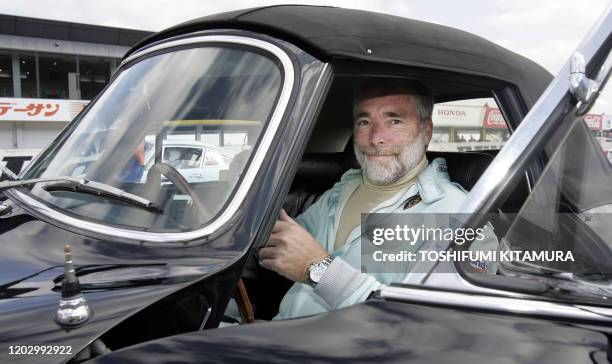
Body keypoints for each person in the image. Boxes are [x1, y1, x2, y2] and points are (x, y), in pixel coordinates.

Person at [259, 79, 496, 320]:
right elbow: (277, 245)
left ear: (426, 131)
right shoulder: (343, 190)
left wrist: (320, 270)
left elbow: (432, 327)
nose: (376, 138)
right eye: (364, 122)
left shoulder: (461, 218)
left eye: (395, 121)